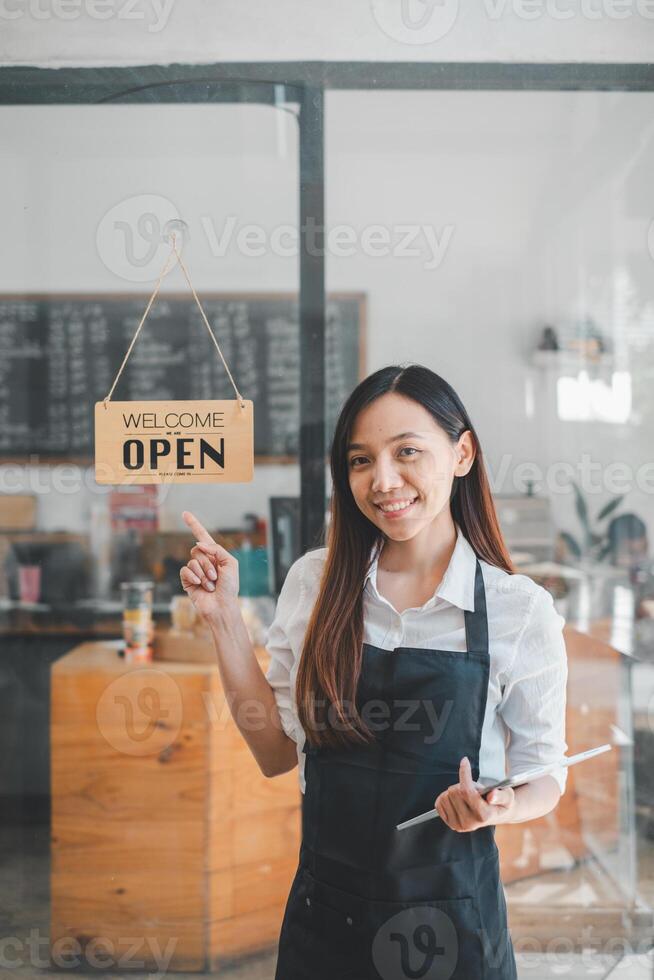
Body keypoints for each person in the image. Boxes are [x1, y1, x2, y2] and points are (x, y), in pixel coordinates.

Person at [179, 363, 568, 980]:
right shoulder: (314, 582)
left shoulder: (520, 611)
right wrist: (223, 617)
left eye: (407, 452)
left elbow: (544, 776)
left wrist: (500, 808)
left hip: (453, 930)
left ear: (462, 452)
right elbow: (276, 753)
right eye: (360, 461)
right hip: (325, 921)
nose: (383, 481)